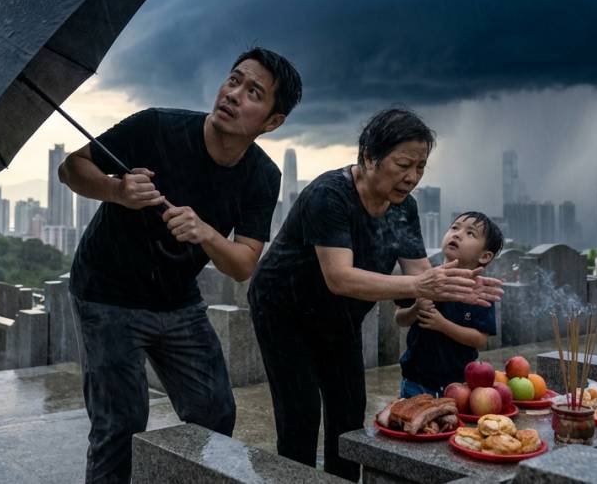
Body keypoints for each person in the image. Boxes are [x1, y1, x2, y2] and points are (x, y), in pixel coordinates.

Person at [58, 47, 302, 483]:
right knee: (121, 425)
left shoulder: (262, 176)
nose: (233, 94)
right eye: (233, 79)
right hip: (106, 292)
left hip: (177, 300)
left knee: (215, 411)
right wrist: (117, 190)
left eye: (253, 92)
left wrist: (205, 232)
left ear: (272, 121)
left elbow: (244, 263)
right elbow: (72, 167)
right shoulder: (156, 126)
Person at [248, 108, 505, 481]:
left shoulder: (405, 208)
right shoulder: (329, 195)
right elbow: (340, 277)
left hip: (340, 316)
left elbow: (420, 271)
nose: (412, 177)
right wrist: (421, 285)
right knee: (300, 411)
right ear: (369, 156)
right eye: (403, 164)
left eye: (420, 167)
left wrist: (458, 284)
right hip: (284, 311)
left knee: (350, 408)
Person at [395, 211, 503, 397]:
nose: (457, 234)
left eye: (470, 233)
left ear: (485, 256)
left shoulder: (479, 291)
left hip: (459, 384)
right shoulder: (424, 278)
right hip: (415, 379)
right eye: (454, 227)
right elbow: (399, 319)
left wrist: (442, 325)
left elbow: (479, 339)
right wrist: (415, 309)